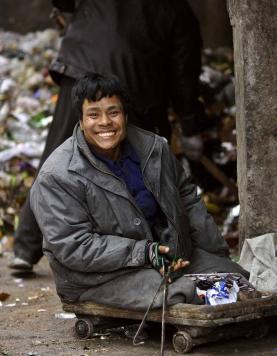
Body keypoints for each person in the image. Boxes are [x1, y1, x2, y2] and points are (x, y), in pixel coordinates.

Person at [9, 0, 203, 272]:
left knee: (55, 155)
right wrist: (190, 123)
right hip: (128, 85)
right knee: (140, 163)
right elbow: (184, 73)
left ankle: (25, 250)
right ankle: (147, 248)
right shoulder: (177, 10)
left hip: (77, 69)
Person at [29, 73, 248, 309]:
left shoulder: (154, 148)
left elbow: (187, 199)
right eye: (93, 114)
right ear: (81, 122)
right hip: (98, 278)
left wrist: (217, 254)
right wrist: (142, 252)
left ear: (124, 115)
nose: (105, 122)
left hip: (166, 257)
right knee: (188, 293)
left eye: (113, 112)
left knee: (236, 281)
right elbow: (74, 246)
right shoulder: (57, 175)